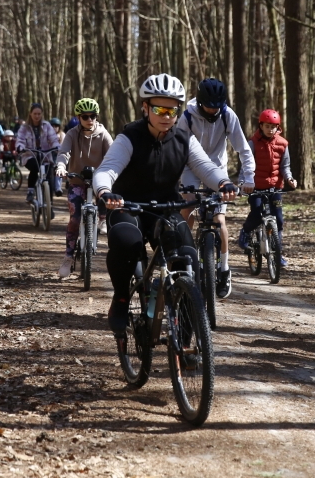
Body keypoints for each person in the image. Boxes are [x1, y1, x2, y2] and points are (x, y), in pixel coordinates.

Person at [94, 73, 239, 337]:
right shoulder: (129, 138)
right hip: (128, 206)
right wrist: (105, 190)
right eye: (159, 109)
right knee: (127, 242)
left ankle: (186, 333)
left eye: (172, 110)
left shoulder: (184, 140)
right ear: (145, 107)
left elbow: (206, 167)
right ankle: (121, 298)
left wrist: (223, 183)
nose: (166, 116)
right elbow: (107, 169)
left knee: (187, 257)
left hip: (165, 208)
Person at [176, 77, 255, 298]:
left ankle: (224, 268)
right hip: (190, 167)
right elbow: (177, 148)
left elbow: (243, 149)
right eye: (209, 106)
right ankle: (183, 256)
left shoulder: (228, 115)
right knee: (188, 208)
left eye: (217, 106)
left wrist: (249, 177)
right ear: (200, 102)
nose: (213, 110)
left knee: (219, 221)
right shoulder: (187, 116)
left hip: (218, 171)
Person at [55, 99, 114, 278]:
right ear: (79, 118)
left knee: (105, 194)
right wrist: (61, 166)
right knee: (75, 219)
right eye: (85, 117)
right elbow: (64, 153)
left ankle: (102, 219)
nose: (90, 120)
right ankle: (68, 257)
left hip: (98, 179)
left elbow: (114, 154)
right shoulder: (72, 134)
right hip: (77, 180)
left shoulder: (103, 134)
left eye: (93, 116)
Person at [237, 109, 298, 267]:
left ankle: (277, 254)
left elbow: (285, 166)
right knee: (257, 213)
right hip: (255, 188)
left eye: (273, 127)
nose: (270, 130)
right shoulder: (252, 143)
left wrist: (290, 179)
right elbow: (245, 166)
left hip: (275, 188)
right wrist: (242, 183)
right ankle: (245, 232)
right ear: (261, 126)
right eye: (267, 126)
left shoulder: (283, 144)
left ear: (278, 127)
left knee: (279, 220)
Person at [14, 103, 60, 204]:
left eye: (39, 114)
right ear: (30, 114)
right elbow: (20, 140)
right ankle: (30, 191)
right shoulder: (24, 127)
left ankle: (49, 205)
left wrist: (57, 147)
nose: (37, 116)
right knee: (35, 167)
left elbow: (53, 139)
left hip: (45, 156)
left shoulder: (47, 126)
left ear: (42, 114)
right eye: (35, 113)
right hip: (30, 155)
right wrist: (20, 147)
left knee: (49, 177)